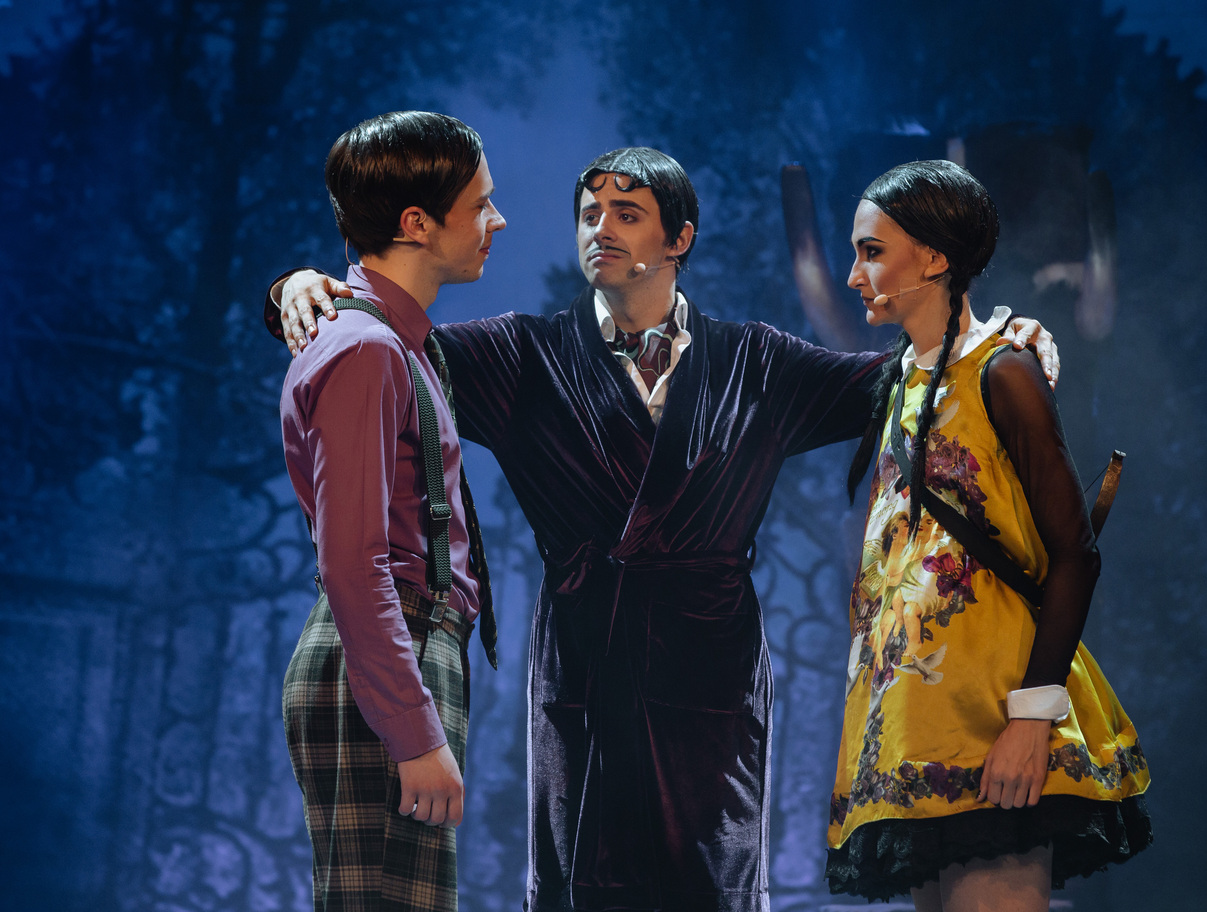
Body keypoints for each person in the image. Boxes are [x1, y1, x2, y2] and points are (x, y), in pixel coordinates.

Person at [267, 147, 1058, 912]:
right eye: (589, 214)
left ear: (679, 238)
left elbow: (904, 379)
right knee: (582, 885)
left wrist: (1003, 343)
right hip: (584, 660)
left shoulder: (756, 363)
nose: (600, 229)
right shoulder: (523, 355)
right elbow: (387, 341)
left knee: (713, 884)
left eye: (627, 213)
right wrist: (296, 290)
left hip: (711, 668)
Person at [826, 160, 1151, 912]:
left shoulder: (1002, 373)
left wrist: (1031, 719)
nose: (853, 275)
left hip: (995, 716)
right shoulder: (896, 380)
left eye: (872, 252)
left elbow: (1076, 554)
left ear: (933, 259)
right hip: (917, 733)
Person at [278, 110, 504, 912]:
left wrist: (290, 286)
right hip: (389, 642)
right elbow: (352, 561)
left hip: (405, 641)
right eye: (480, 204)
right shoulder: (367, 349)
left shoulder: (396, 342)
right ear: (416, 223)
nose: (496, 221)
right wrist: (413, 731)